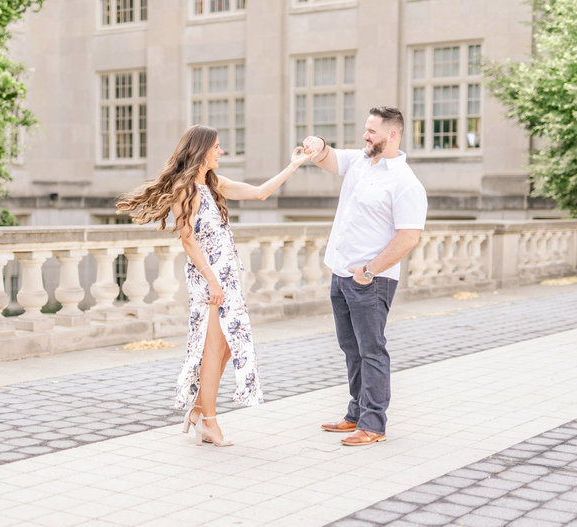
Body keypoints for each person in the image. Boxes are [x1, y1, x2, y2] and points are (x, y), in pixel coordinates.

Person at [117, 125, 309, 446]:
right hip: (210, 278)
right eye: (217, 147)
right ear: (202, 150)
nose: (221, 152)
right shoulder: (184, 189)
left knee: (229, 346)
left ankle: (198, 409)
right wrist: (211, 281)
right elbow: (188, 240)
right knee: (213, 349)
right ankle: (208, 421)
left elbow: (261, 191)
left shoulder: (213, 184)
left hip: (228, 276)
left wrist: (294, 165)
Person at [302, 106, 427, 446]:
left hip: (372, 280)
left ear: (393, 134)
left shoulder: (405, 183)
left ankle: (373, 425)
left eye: (372, 131)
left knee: (372, 350)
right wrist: (318, 144)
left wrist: (370, 270)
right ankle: (356, 414)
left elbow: (408, 237)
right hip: (341, 272)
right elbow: (328, 158)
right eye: (366, 129)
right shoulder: (360, 161)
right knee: (350, 348)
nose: (365, 135)